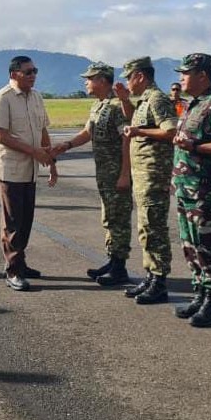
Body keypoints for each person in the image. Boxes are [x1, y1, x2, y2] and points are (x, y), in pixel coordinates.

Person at [51, 61, 133, 286]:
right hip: (104, 174)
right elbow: (88, 132)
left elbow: (127, 139)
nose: (85, 82)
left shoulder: (117, 107)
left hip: (116, 173)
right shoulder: (98, 106)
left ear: (103, 80)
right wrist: (66, 145)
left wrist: (125, 173)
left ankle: (119, 267)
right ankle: (112, 260)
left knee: (118, 219)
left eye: (90, 78)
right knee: (109, 217)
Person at [0, 56, 58, 291]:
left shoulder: (37, 97)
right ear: (13, 74)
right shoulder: (3, 98)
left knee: (26, 219)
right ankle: (13, 270)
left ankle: (21, 261)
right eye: (28, 71)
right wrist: (34, 152)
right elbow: (2, 136)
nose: (33, 75)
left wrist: (51, 161)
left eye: (34, 71)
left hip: (31, 170)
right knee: (13, 222)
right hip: (11, 169)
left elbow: (42, 129)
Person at [171, 53, 211, 327]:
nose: (181, 77)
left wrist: (193, 147)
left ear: (203, 76)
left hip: (204, 189)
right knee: (190, 245)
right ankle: (199, 293)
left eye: (186, 72)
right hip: (186, 189)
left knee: (208, 246)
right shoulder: (192, 105)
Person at [117, 56, 177, 304]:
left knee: (154, 227)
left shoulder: (157, 99)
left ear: (140, 76)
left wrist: (140, 131)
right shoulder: (142, 101)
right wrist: (124, 101)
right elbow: (134, 121)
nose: (128, 83)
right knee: (146, 228)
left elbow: (171, 130)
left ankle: (159, 280)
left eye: (129, 77)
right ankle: (151, 276)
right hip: (143, 176)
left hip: (154, 174)